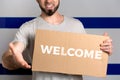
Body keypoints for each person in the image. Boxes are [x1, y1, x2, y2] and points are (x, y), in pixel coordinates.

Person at [2, 0, 112, 80]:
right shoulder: (28, 28)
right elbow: (8, 58)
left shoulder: (76, 25)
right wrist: (13, 59)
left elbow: (88, 60)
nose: (49, 1)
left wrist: (103, 51)